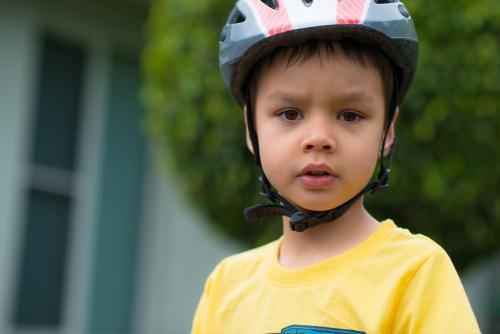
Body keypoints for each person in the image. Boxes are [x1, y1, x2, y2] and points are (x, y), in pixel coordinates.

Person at [192, 0, 480, 332]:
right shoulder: (226, 287)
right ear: (251, 129)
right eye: (290, 114)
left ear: (387, 130)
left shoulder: (414, 274)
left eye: (350, 115)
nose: (318, 138)